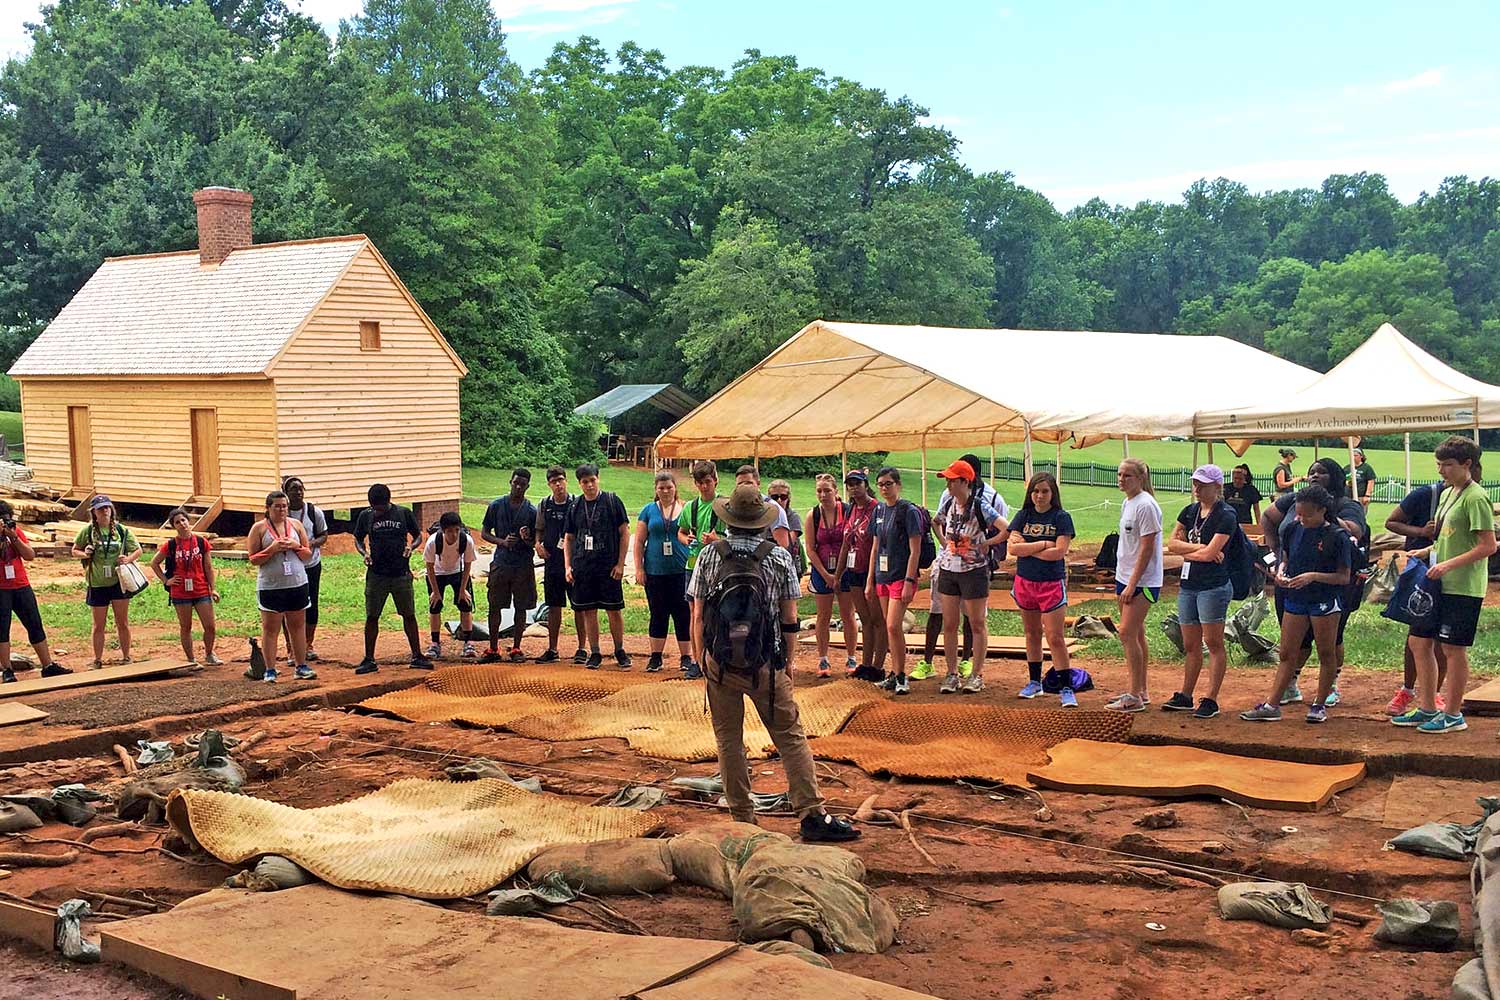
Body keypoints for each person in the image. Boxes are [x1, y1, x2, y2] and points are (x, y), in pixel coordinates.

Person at [687, 484, 859, 843]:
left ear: (729, 519)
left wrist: (702, 657)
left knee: (729, 739)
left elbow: (699, 613)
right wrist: (789, 662)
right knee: (790, 737)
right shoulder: (779, 557)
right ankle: (811, 813)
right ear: (761, 522)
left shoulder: (709, 555)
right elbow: (789, 618)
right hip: (766, 662)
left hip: (719, 662)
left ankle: (743, 818)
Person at [1393, 436, 1496, 734]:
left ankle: (1453, 714)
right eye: (1439, 464)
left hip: (1462, 584)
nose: (1441, 470)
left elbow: (1488, 545)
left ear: (1467, 464)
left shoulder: (1476, 498)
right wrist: (1425, 552)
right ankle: (1427, 706)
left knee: (1453, 648)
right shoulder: (1451, 493)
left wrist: (1448, 564)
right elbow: (1446, 536)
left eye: (1448, 464)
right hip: (1438, 582)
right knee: (1419, 641)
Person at [1259, 458, 1367, 706]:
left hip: (1327, 589)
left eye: (1322, 472)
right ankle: (1289, 686)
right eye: (1311, 472)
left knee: (1329, 641)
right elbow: (1268, 517)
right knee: (1293, 642)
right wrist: (1276, 554)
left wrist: (1325, 514)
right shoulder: (1295, 506)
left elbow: (1355, 531)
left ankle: (1329, 687)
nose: (1315, 475)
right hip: (1293, 585)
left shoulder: (1345, 508)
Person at [1241, 485, 1351, 723]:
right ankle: (1272, 704)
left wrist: (1313, 576)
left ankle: (1319, 704)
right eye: (1298, 514)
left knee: (1325, 651)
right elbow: (1286, 559)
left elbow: (1344, 577)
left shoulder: (1337, 536)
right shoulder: (1292, 529)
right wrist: (1280, 572)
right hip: (1296, 599)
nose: (1301, 519)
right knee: (1287, 653)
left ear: (1322, 511)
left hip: (1323, 600)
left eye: (1307, 515)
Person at [1162, 465, 1237, 719]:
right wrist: (1201, 549)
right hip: (1189, 585)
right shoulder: (1190, 511)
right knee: (1190, 643)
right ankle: (1186, 694)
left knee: (1213, 642)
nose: (1197, 489)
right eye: (1195, 483)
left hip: (1213, 586)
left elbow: (1205, 554)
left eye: (1203, 485)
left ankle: (1212, 698)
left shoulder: (1226, 514)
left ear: (1217, 487)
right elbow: (1172, 544)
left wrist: (1194, 551)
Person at [930, 460, 1005, 695]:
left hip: (974, 571)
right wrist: (945, 544)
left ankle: (976, 674)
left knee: (977, 623)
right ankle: (951, 673)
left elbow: (1006, 528)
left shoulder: (980, 506)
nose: (949, 485)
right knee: (949, 624)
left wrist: (986, 544)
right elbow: (936, 522)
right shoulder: (949, 503)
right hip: (949, 569)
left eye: (953, 480)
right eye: (947, 480)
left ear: (965, 481)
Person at [1007, 472, 1077, 705]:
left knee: (1055, 636)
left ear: (1053, 493)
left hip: (1051, 583)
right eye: (1036, 491)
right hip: (1026, 581)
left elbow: (1059, 552)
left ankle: (1066, 687)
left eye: (1045, 491)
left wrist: (1029, 547)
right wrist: (1044, 544)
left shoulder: (1061, 517)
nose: (1040, 496)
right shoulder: (1023, 515)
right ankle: (1034, 682)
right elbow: (1013, 549)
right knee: (1032, 633)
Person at [1384, 479, 1449, 716]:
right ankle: (1408, 689)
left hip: (1453, 571)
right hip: (1423, 569)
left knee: (1443, 636)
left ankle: (1434, 693)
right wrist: (1421, 532)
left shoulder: (1468, 496)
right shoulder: (1425, 494)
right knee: (1418, 632)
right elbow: (1391, 522)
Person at [352, 484, 430, 674]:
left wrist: (411, 547)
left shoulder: (402, 514)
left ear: (388, 502)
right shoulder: (366, 516)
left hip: (401, 573)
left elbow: (418, 535)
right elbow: (358, 538)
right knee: (372, 616)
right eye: (374, 507)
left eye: (380, 507)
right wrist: (364, 553)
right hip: (376, 574)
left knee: (408, 614)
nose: (377, 511)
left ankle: (417, 655)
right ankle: (369, 659)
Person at [564, 463, 631, 669]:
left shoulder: (611, 501)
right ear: (579, 484)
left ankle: (619, 650)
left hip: (608, 567)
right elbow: (569, 538)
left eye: (592, 480)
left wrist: (620, 564)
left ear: (598, 479)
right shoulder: (575, 506)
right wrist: (568, 566)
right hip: (583, 567)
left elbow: (624, 532)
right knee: (588, 611)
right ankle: (595, 652)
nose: (589, 485)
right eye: (585, 482)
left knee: (614, 610)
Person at [1108, 459, 1161, 713]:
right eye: (1119, 474)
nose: (1121, 479)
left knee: (1126, 632)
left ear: (1140, 478)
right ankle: (1140, 689)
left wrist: (1132, 583)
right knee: (1136, 633)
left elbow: (1147, 547)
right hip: (1125, 576)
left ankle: (1135, 695)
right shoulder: (1127, 502)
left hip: (1143, 581)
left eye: (1127, 475)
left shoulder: (1146, 506)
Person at [866, 466, 924, 695]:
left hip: (901, 575)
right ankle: (895, 671)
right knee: (888, 628)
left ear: (898, 485)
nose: (884, 488)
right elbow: (875, 546)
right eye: (880, 484)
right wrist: (870, 579)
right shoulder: (878, 510)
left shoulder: (908, 511)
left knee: (893, 624)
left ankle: (901, 675)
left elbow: (915, 549)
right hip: (882, 575)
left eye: (888, 483)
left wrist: (910, 579)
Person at [247, 490, 315, 683]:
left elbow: (307, 555)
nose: (282, 509)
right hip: (271, 586)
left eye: (284, 506)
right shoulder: (259, 528)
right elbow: (253, 559)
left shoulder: (296, 525)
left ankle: (300, 665)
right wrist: (272, 549)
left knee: (297, 626)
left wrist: (295, 545)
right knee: (270, 628)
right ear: (268, 508)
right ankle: (270, 669)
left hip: (297, 583)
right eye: (277, 506)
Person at [0, 500, 69, 683]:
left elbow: (29, 555)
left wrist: (13, 537)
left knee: (34, 624)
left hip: (21, 585)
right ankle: (7, 670)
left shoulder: (15, 532)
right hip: (1, 589)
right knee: (2, 630)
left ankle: (47, 665)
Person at [71, 495, 141, 669]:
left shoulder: (121, 530)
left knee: (122, 621)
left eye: (107, 507)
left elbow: (138, 549)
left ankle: (126, 656)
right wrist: (85, 553)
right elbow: (74, 550)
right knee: (98, 625)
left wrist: (128, 559)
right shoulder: (88, 531)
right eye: (101, 508)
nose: (105, 511)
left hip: (119, 581)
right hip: (96, 582)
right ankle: (97, 659)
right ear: (94, 512)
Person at [634, 471, 693, 674]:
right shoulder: (648, 510)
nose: (666, 491)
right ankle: (656, 657)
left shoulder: (685, 508)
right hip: (655, 570)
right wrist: (639, 568)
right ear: (656, 490)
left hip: (681, 569)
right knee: (658, 613)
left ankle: (686, 657)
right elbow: (639, 542)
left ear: (675, 488)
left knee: (683, 613)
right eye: (661, 488)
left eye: (669, 487)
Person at [150, 507, 221, 666]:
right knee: (186, 626)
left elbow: (208, 567)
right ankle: (191, 659)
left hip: (201, 588)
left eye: (183, 520)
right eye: (177, 522)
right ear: (173, 526)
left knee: (210, 626)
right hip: (180, 592)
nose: (182, 524)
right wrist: (166, 580)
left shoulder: (201, 542)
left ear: (189, 521)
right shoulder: (171, 545)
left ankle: (209, 654)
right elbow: (154, 563)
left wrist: (213, 588)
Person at [481, 469, 538, 663]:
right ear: (510, 482)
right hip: (501, 562)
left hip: (523, 564)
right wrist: (502, 542)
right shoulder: (496, 506)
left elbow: (536, 543)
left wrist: (526, 538)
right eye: (516, 483)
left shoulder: (532, 511)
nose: (518, 487)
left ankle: (516, 648)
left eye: (523, 484)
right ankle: (493, 648)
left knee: (521, 606)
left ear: (528, 486)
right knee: (494, 605)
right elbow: (484, 533)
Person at [834, 470, 887, 681]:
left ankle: (878, 665)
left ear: (866, 485)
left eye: (858, 483)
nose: (854, 488)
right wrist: (838, 575)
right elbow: (846, 545)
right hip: (854, 569)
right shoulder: (851, 510)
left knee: (877, 619)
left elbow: (878, 543)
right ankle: (865, 664)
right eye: (850, 484)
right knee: (864, 618)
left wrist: (872, 578)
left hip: (871, 570)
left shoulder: (876, 508)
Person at [805, 473, 857, 678]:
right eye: (819, 490)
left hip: (845, 569)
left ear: (836, 492)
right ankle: (822, 659)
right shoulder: (813, 515)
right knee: (823, 616)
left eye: (827, 490)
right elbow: (810, 548)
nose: (823, 494)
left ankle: (852, 657)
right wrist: (825, 574)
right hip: (822, 570)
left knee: (848, 614)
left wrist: (840, 572)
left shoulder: (847, 511)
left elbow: (853, 541)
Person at [534, 466, 586, 665]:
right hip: (553, 561)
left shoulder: (576, 503)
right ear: (549, 484)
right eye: (554, 481)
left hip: (575, 562)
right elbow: (539, 529)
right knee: (554, 606)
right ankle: (553, 648)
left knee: (579, 606)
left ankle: (582, 648)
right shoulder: (544, 505)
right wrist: (538, 544)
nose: (558, 484)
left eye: (561, 480)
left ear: (566, 481)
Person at [678, 460, 724, 679]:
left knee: (717, 614)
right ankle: (697, 660)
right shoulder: (690, 507)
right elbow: (681, 531)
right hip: (693, 565)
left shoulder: (724, 506)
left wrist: (716, 540)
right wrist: (686, 539)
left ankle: (717, 658)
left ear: (715, 480)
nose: (705, 487)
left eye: (708, 482)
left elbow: (733, 537)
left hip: (718, 567)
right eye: (700, 483)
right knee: (695, 613)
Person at [281, 478, 328, 664]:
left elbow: (323, 535)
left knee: (311, 603)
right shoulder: (281, 512)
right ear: (286, 492)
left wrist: (308, 545)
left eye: (300, 489)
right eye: (293, 489)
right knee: (288, 606)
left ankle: (308, 644)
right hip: (289, 566)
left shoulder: (313, 512)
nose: (298, 492)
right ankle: (291, 647)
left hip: (311, 564)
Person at [424, 511, 478, 660]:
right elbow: (429, 567)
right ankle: (435, 643)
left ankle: (468, 643)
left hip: (457, 571)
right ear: (443, 530)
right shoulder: (433, 542)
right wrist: (435, 592)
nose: (453, 535)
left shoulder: (466, 541)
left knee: (465, 604)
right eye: (449, 531)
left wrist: (462, 590)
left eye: (456, 530)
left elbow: (467, 566)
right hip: (437, 572)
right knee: (435, 606)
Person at [733, 466, 792, 548]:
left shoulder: (774, 509)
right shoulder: (733, 506)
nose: (744, 487)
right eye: (740, 484)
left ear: (758, 484)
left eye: (748, 483)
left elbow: (783, 545)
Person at [767, 480, 806, 579]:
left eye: (783, 497)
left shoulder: (792, 516)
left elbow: (787, 544)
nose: (779, 500)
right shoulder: (763, 516)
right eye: (775, 497)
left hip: (788, 566)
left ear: (788, 499)